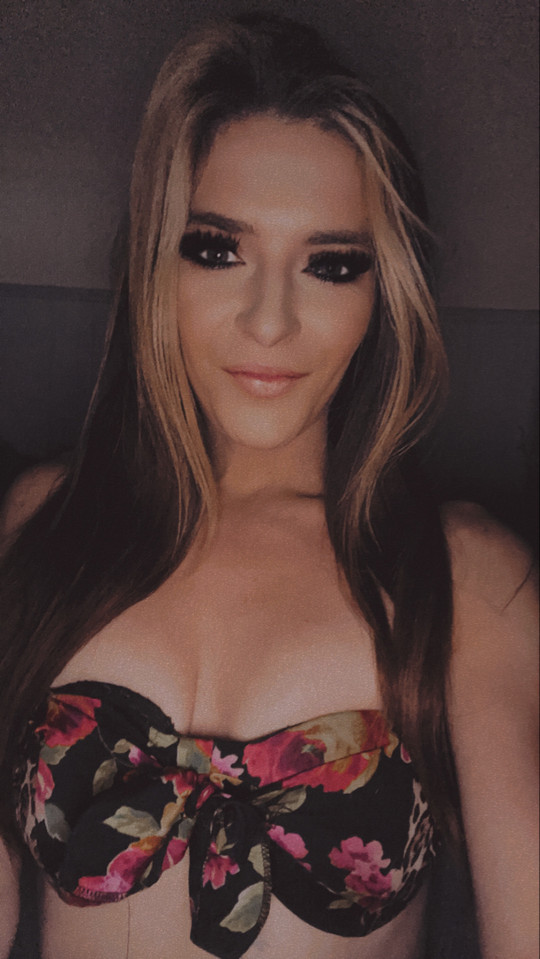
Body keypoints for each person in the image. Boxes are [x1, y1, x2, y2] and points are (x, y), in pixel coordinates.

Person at [0, 12, 537, 959]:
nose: (269, 321)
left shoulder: (463, 579)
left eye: (331, 265)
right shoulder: (47, 520)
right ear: (157, 261)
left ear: (382, 293)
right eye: (218, 249)